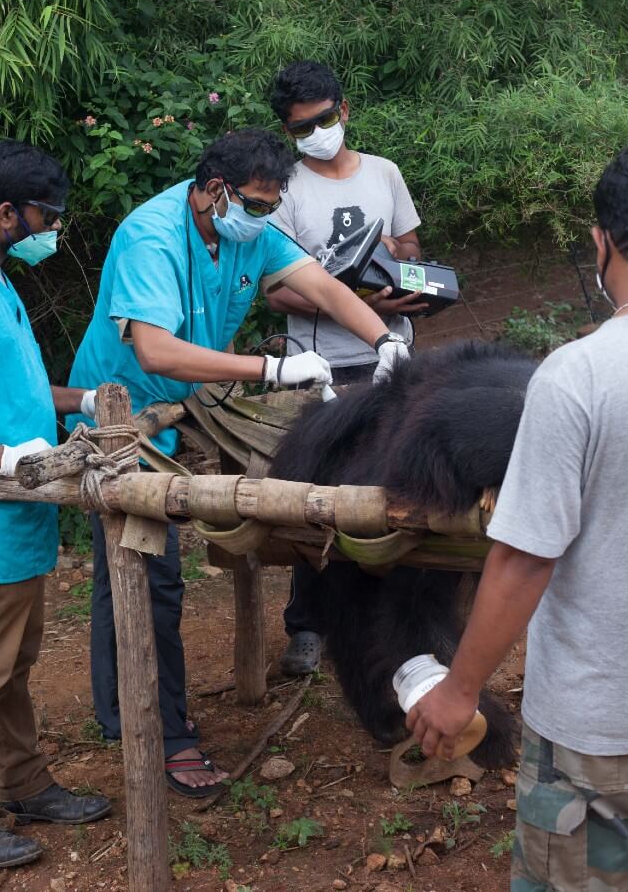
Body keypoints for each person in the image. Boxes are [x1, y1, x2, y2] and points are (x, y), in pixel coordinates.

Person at [67, 127, 409, 798]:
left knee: (135, 566)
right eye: (255, 204)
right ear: (215, 189)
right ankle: (164, 735)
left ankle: (118, 709)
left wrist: (384, 337)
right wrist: (271, 368)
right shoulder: (153, 237)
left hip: (191, 401)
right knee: (145, 567)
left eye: (271, 205)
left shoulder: (245, 228)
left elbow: (323, 286)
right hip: (124, 416)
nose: (264, 217)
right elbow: (158, 352)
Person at [407, 140, 628, 890]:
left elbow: (525, 557)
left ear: (600, 242)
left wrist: (458, 690)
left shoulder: (577, 377)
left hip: (600, 725)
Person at [0, 141, 110, 870]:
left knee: (12, 665)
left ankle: (23, 783)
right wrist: (2, 456)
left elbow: (7, 389)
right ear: (6, 212)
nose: (53, 229)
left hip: (15, 517)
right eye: (47, 216)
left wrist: (80, 401)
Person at [267, 60, 426, 676]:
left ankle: (394, 626)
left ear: (344, 109)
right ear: (288, 132)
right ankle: (307, 626)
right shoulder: (283, 189)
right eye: (302, 127)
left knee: (392, 494)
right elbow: (277, 292)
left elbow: (412, 245)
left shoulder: (385, 173)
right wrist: (351, 300)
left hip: (393, 359)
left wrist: (399, 267)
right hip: (323, 369)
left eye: (325, 119)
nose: (317, 133)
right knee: (318, 499)